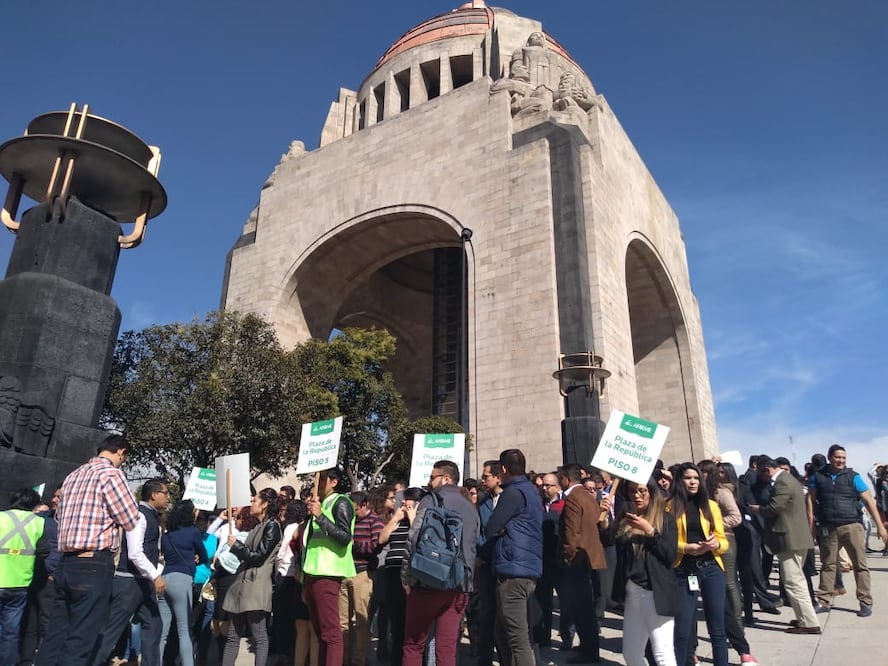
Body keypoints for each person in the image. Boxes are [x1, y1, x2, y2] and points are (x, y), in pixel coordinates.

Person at [35, 434, 140, 666]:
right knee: (81, 639)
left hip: (66, 562)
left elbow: (59, 518)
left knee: (54, 636)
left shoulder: (73, 475)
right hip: (94, 563)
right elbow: (131, 518)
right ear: (121, 452)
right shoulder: (112, 474)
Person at [401, 460, 479, 666]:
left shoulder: (431, 500)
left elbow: (414, 539)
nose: (429, 481)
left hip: (428, 579)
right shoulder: (471, 506)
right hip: (460, 584)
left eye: (432, 477)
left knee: (413, 644)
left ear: (445, 478)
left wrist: (406, 578)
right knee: (446, 647)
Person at [93, 478, 169, 666]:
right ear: (154, 495)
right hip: (129, 582)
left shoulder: (152, 517)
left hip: (142, 583)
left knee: (154, 625)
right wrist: (155, 575)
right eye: (165, 493)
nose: (168, 497)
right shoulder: (139, 516)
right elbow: (135, 553)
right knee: (112, 630)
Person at [807, 444, 888, 617]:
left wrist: (880, 526)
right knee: (828, 565)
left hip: (852, 526)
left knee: (860, 565)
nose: (841, 460)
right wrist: (812, 526)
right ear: (830, 457)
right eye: (837, 457)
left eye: (843, 457)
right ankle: (824, 600)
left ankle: (865, 602)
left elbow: (869, 501)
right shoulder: (817, 477)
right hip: (828, 526)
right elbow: (810, 501)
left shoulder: (853, 477)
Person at [484, 449, 542, 666]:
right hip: (524, 567)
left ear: (504, 469)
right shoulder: (530, 490)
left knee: (517, 638)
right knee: (502, 634)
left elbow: (492, 527)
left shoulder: (512, 493)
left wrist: (502, 528)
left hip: (513, 570)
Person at [749, 457, 821, 634]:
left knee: (793, 582)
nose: (759, 477)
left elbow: (775, 507)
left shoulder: (783, 482)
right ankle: (804, 617)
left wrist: (758, 509)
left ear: (766, 470)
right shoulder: (789, 480)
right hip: (794, 538)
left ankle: (809, 623)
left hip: (790, 540)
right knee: (796, 580)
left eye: (760, 473)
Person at [612, 477, 678, 666]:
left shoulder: (665, 519)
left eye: (642, 491)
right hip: (632, 591)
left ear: (652, 493)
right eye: (632, 491)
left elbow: (669, 555)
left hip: (654, 591)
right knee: (631, 654)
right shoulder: (626, 518)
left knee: (663, 653)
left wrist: (650, 531)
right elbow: (609, 542)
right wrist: (604, 523)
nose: (637, 495)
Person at [669, 462, 729, 666]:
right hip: (684, 569)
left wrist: (715, 544)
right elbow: (665, 541)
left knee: (717, 628)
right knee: (682, 629)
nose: (693, 482)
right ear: (679, 480)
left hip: (711, 568)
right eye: (688, 478)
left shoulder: (710, 505)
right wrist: (686, 548)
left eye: (696, 478)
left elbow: (723, 541)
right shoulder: (669, 505)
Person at [700, 460, 759, 665]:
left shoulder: (722, 492)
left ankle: (737, 625)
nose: (702, 476)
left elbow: (736, 517)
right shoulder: (701, 493)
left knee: (729, 583)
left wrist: (714, 524)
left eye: (705, 472)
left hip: (725, 539)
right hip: (705, 543)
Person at [221, 488, 283, 666]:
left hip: (256, 585)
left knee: (259, 635)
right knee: (233, 635)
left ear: (265, 505)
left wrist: (236, 546)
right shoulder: (257, 526)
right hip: (242, 583)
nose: (251, 503)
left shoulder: (272, 526)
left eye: (255, 500)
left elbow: (259, 556)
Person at [556, 463, 610, 664]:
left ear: (567, 479)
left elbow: (571, 532)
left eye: (560, 477)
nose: (559, 480)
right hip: (588, 557)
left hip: (577, 559)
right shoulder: (588, 496)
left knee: (581, 608)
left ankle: (589, 651)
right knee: (586, 607)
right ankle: (589, 646)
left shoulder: (573, 498)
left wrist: (567, 555)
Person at [303, 468, 356, 666]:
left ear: (334, 482)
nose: (317, 483)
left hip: (328, 573)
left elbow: (344, 537)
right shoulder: (321, 504)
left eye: (323, 478)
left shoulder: (341, 502)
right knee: (321, 633)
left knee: (331, 633)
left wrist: (320, 517)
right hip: (313, 573)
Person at [0, 488, 48, 665]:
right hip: (20, 584)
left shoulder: (1, 517)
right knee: (11, 633)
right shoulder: (39, 523)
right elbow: (44, 551)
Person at [159, 499, 209, 666]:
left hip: (164, 579)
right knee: (184, 631)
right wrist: (195, 557)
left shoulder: (167, 535)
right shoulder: (193, 532)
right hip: (182, 580)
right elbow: (203, 555)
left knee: (162, 632)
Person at [379, 487, 425, 666]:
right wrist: (395, 519)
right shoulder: (397, 520)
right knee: (396, 622)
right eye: (403, 500)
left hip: (411, 576)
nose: (404, 503)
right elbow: (382, 539)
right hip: (392, 573)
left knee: (411, 624)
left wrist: (413, 519)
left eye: (408, 499)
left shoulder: (421, 520)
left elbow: (420, 540)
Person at [340, 490, 383, 666]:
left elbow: (375, 546)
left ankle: (359, 659)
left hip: (363, 573)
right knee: (342, 621)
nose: (354, 513)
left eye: (356, 510)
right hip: (344, 572)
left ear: (364, 505)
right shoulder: (348, 520)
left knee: (361, 619)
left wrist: (353, 545)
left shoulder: (375, 521)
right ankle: (342, 658)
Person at [474, 459, 502, 666]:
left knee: (504, 615)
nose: (482, 480)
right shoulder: (483, 502)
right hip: (485, 565)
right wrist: (479, 554)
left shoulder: (512, 499)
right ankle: (484, 657)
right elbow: (478, 531)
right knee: (486, 613)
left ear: (498, 477)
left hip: (504, 565)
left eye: (486, 476)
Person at [534, 472, 562, 647]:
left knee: (566, 601)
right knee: (543, 601)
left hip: (558, 558)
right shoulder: (537, 505)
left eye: (548, 485)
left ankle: (567, 636)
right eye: (542, 485)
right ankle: (543, 637)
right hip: (541, 558)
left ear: (557, 487)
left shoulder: (563, 505)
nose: (544, 488)